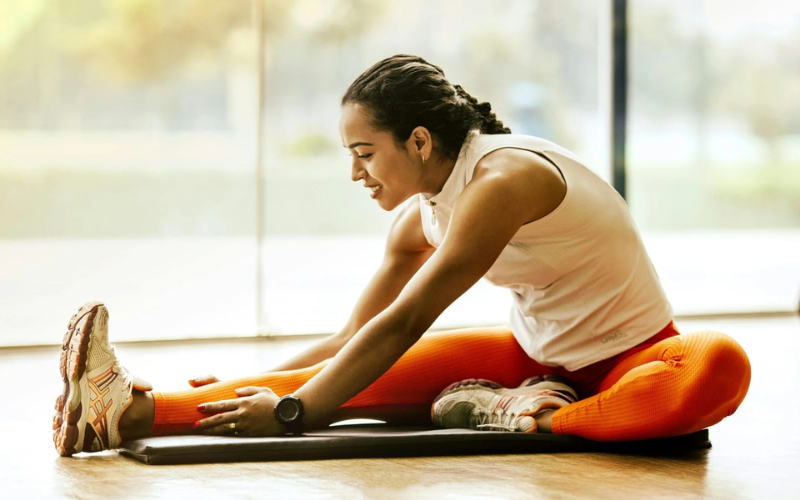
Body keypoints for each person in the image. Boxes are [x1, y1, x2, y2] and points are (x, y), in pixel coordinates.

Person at [52, 54, 751, 457]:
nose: (356, 173)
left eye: (364, 152)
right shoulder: (420, 217)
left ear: (419, 140)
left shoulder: (503, 181)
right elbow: (353, 339)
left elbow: (408, 320)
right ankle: (119, 411)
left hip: (636, 360)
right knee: (338, 378)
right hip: (533, 359)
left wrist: (296, 412)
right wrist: (255, 384)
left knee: (720, 364)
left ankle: (532, 416)